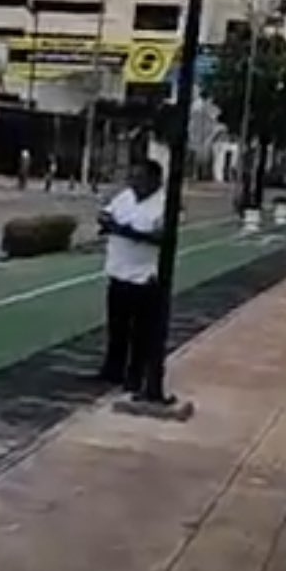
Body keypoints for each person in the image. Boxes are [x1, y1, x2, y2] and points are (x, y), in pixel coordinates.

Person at [98, 158, 166, 395]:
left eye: (140, 178)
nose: (134, 183)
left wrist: (126, 231)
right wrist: (108, 222)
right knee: (117, 327)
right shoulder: (125, 197)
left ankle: (136, 375)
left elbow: (161, 237)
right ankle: (112, 371)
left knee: (141, 333)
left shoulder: (164, 204)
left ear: (155, 180)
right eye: (132, 178)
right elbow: (106, 215)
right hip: (118, 271)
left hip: (145, 277)